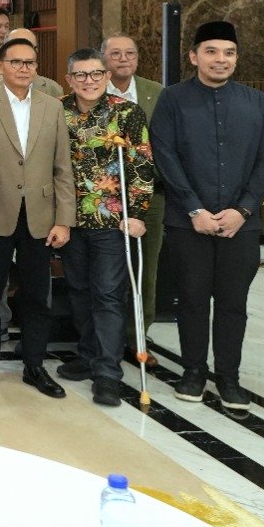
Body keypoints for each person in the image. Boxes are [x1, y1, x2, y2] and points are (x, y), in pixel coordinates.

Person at [149, 20, 264, 410]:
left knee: (232, 303)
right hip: (188, 223)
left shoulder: (257, 102)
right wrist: (194, 208)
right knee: (191, 300)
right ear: (194, 57)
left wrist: (243, 210)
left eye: (229, 53)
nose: (220, 59)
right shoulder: (172, 100)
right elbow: (165, 156)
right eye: (211, 52)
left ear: (236, 58)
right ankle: (193, 372)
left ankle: (229, 377)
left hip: (242, 225)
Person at [0, 35, 74, 399]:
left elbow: (62, 168)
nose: (24, 68)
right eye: (16, 62)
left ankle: (35, 366)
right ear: (0, 65)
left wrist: (64, 220)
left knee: (37, 296)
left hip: (41, 217)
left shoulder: (52, 106)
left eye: (30, 62)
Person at [56, 49, 155, 408]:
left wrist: (138, 212)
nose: (89, 81)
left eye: (96, 74)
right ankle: (87, 354)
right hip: (70, 220)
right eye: (81, 75)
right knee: (79, 291)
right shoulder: (57, 111)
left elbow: (142, 163)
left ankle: (108, 373)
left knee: (108, 295)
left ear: (107, 76)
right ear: (69, 79)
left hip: (112, 222)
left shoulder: (127, 112)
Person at [103, 32, 165, 354]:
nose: (123, 59)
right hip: (103, 196)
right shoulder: (93, 90)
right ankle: (105, 337)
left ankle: (138, 334)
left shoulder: (157, 92)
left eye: (130, 53)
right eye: (116, 53)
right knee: (107, 271)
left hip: (149, 195)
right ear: (104, 59)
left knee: (146, 270)